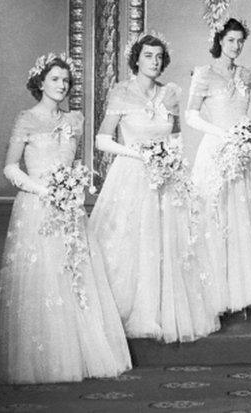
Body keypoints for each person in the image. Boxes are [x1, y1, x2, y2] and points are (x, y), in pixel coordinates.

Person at [0, 54, 131, 384]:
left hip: (69, 208)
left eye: (66, 81)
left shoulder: (75, 119)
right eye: (55, 79)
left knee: (75, 278)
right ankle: (44, 362)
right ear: (40, 83)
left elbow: (74, 164)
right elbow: (10, 167)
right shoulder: (26, 119)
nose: (62, 85)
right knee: (44, 278)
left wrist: (73, 187)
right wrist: (42, 190)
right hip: (37, 208)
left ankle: (82, 355)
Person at [89, 33, 220, 343]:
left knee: (167, 245)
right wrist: (139, 153)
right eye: (148, 55)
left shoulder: (170, 94)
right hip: (132, 175)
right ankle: (129, 310)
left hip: (165, 177)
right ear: (136, 58)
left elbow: (174, 137)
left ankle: (164, 312)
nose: (154, 61)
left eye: (159, 57)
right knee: (131, 241)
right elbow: (102, 139)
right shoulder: (121, 93)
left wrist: (171, 160)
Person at [186, 18, 251, 313]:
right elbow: (190, 115)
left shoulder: (247, 75)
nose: (236, 47)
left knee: (244, 217)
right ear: (219, 41)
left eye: (240, 41)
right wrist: (222, 134)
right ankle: (216, 292)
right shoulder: (204, 74)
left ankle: (243, 289)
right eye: (231, 41)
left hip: (243, 151)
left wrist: (246, 135)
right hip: (216, 150)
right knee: (218, 217)